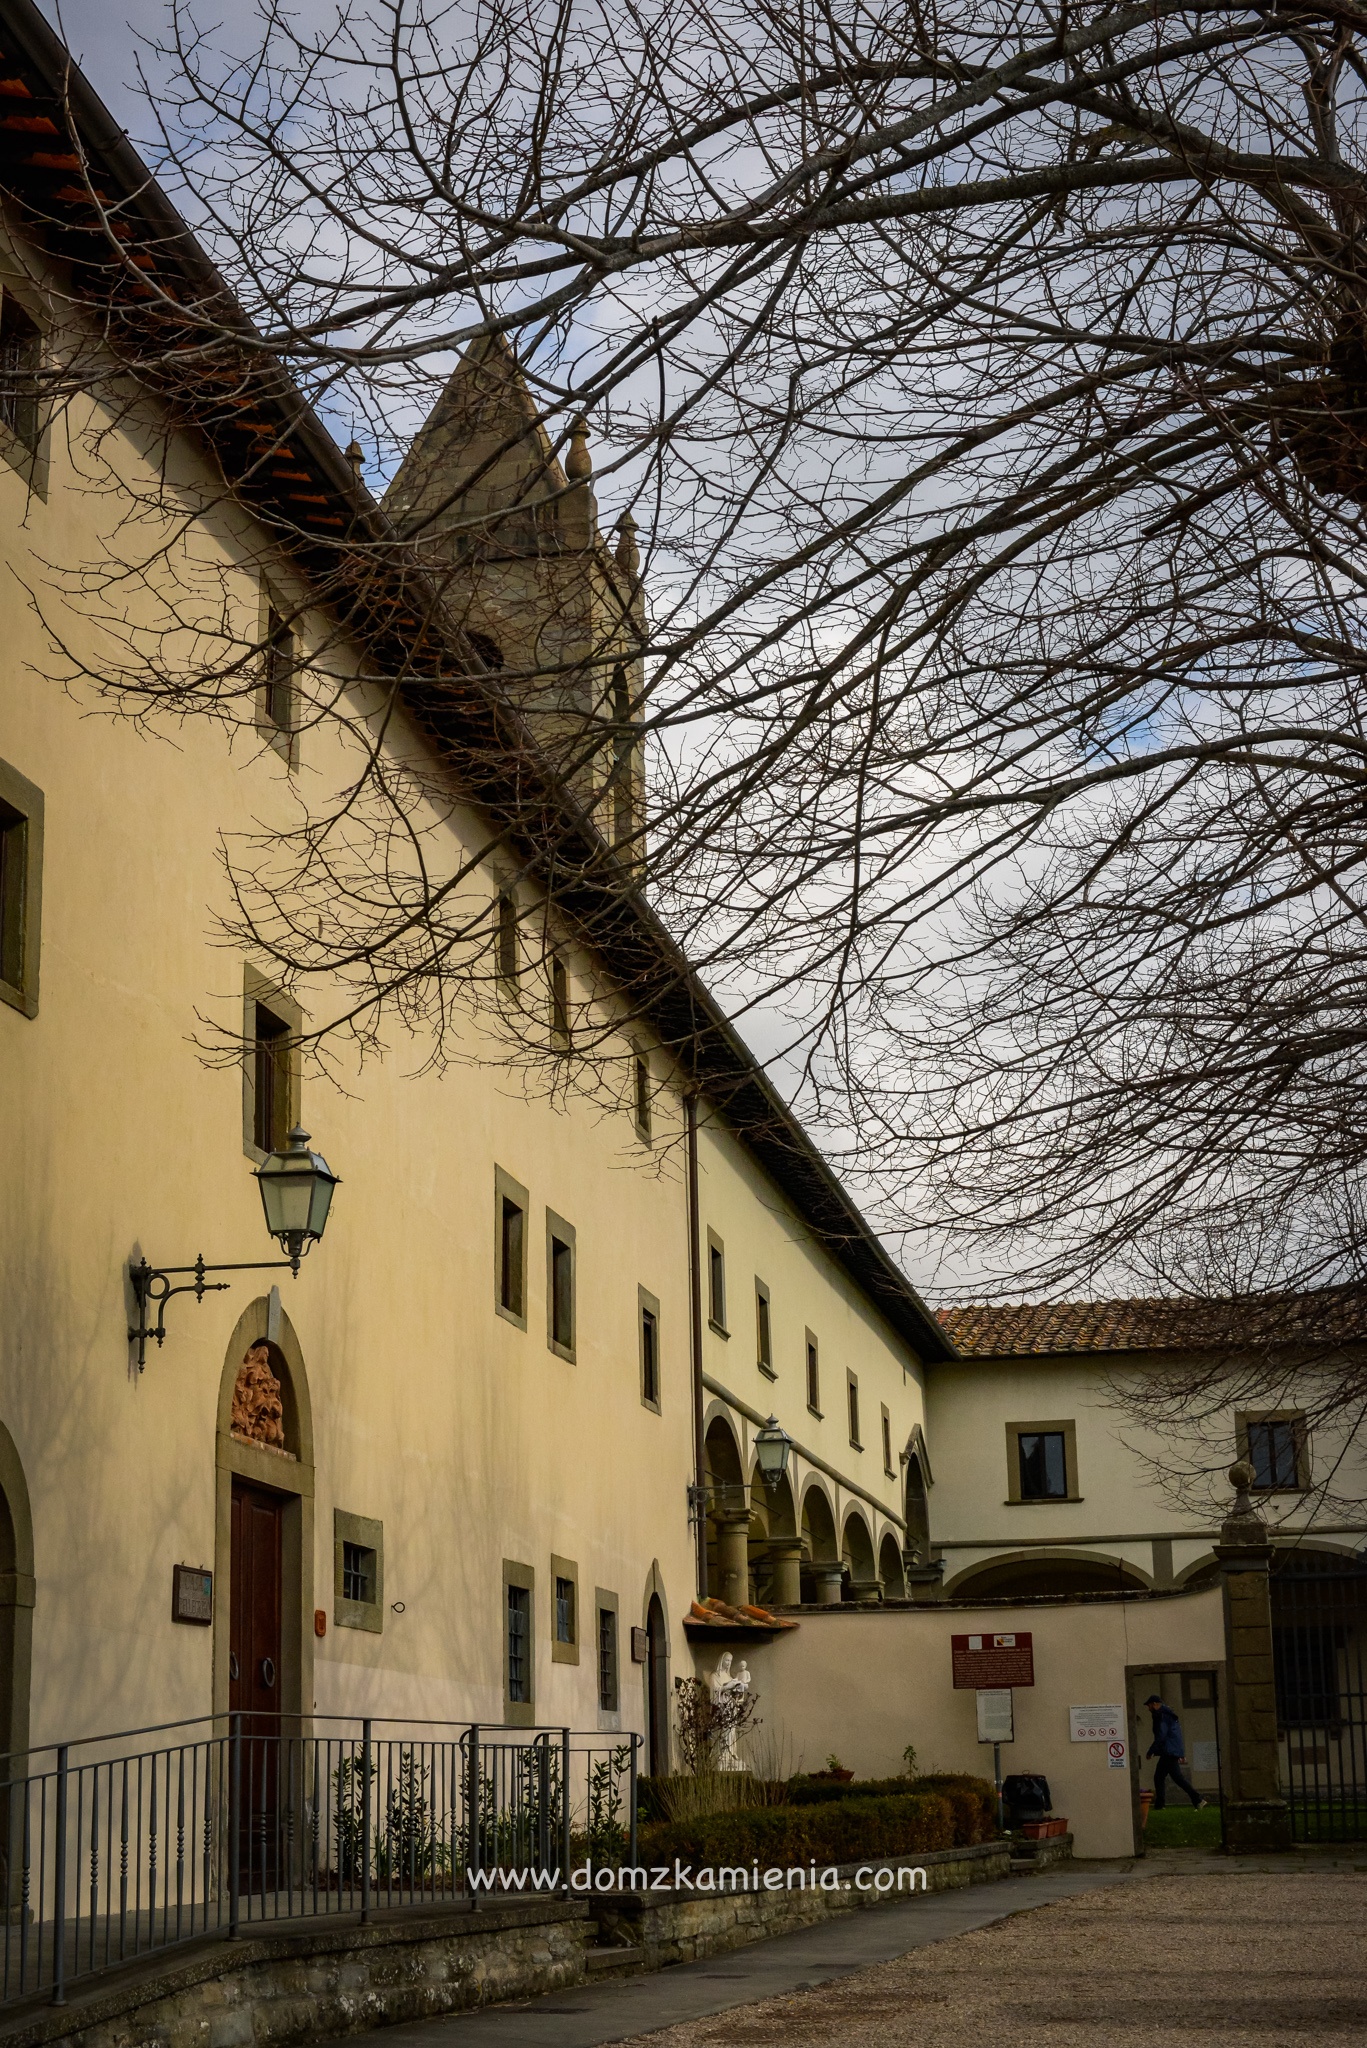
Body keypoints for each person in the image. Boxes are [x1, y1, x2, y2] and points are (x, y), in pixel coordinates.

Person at [1144, 1692, 1208, 1808]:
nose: (1148, 1708)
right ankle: (1196, 1800)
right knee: (1167, 1777)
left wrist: (1151, 1751)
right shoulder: (1169, 1715)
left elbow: (1161, 1736)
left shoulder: (1161, 1715)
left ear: (1155, 1704)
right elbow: (1174, 1736)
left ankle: (1197, 1799)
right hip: (1171, 1750)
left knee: (1170, 1778)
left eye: (1149, 1706)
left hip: (1169, 1751)